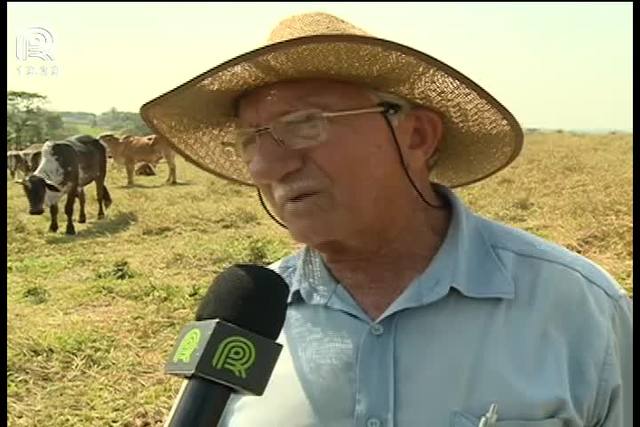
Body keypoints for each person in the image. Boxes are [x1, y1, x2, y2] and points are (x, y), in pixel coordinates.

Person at [141, 12, 632, 427]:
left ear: (416, 136)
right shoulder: (244, 320)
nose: (267, 167)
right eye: (250, 141)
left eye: (302, 125)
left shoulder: (579, 308)